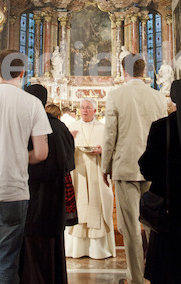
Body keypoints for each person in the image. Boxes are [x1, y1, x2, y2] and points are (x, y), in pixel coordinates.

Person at [0, 49, 51, 284]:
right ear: (23, 72)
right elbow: (42, 153)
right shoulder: (33, 103)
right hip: (14, 191)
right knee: (7, 262)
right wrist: (16, 157)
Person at [102, 53, 166, 284]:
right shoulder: (158, 97)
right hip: (154, 169)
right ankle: (156, 275)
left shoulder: (117, 95)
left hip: (126, 166)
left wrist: (105, 166)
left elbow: (110, 134)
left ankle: (136, 278)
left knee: (131, 230)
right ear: (144, 70)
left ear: (123, 70)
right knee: (154, 225)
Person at [139, 79, 181, 284]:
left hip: (169, 208)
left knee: (167, 270)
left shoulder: (162, 127)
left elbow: (147, 168)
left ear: (174, 98)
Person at [19, 86, 74, 284]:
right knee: (52, 249)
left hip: (32, 197)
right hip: (55, 199)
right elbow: (70, 163)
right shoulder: (60, 127)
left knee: (31, 248)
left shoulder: (27, 125)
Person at [65, 98, 116, 260]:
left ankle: (98, 250)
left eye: (88, 108)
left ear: (95, 110)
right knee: (80, 206)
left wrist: (103, 151)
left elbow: (113, 149)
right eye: (82, 107)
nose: (84, 110)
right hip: (78, 173)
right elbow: (65, 149)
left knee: (98, 206)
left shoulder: (104, 128)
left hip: (98, 173)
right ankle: (76, 249)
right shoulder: (72, 127)